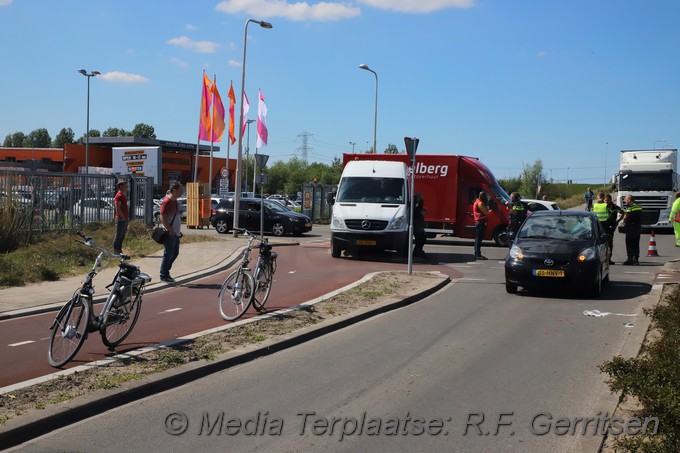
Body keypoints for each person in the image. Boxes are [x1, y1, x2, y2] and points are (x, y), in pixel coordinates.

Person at [160, 181, 183, 283]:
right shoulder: (167, 202)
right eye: (180, 190)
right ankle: (164, 274)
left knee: (175, 253)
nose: (181, 192)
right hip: (170, 233)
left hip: (175, 233)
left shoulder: (175, 202)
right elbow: (162, 217)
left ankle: (166, 271)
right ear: (174, 190)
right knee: (168, 254)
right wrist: (170, 230)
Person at [622, 194, 642, 265]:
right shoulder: (639, 205)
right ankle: (636, 259)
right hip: (637, 227)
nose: (625, 201)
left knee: (629, 243)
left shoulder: (630, 206)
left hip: (630, 227)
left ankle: (630, 259)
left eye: (625, 199)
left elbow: (626, 216)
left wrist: (624, 220)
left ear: (629, 199)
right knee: (636, 243)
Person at [605, 194, 624, 263]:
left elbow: (623, 213)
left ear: (610, 200)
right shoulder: (604, 206)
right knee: (603, 243)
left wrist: (618, 221)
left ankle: (609, 258)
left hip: (611, 226)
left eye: (607, 200)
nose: (606, 202)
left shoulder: (615, 207)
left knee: (610, 242)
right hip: (603, 226)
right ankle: (604, 258)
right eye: (605, 200)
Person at [112, 179, 129, 255]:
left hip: (124, 218)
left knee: (122, 236)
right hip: (121, 219)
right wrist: (123, 217)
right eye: (125, 185)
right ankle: (116, 252)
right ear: (121, 186)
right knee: (118, 236)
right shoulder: (118, 196)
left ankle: (119, 251)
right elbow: (118, 209)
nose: (127, 187)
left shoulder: (123, 195)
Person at [473, 191, 489, 260]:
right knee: (479, 239)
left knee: (478, 239)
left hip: (478, 222)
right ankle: (478, 254)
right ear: (482, 196)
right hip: (480, 222)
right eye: (485, 196)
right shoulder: (480, 203)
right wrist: (487, 207)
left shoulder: (477, 201)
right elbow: (486, 213)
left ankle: (477, 253)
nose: (486, 198)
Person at [412, 193, 428, 259]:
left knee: (422, 236)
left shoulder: (415, 207)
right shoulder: (416, 209)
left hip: (417, 225)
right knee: (421, 236)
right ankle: (417, 251)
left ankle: (418, 251)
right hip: (416, 225)